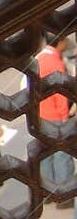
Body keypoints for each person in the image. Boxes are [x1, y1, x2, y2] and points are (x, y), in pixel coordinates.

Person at [35, 37, 75, 199]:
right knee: (61, 153)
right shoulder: (55, 63)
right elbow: (60, 94)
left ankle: (47, 191)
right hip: (55, 115)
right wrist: (65, 117)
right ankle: (63, 192)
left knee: (45, 153)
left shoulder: (39, 58)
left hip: (39, 114)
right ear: (60, 42)